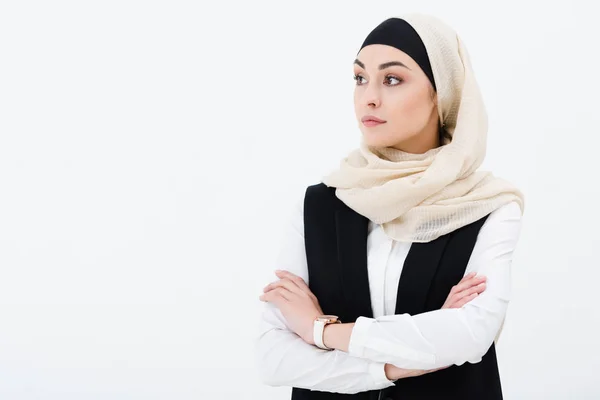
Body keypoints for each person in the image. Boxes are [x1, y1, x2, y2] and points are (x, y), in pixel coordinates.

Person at [254, 13, 524, 400]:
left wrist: (319, 331)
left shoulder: (487, 206)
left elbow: (470, 335)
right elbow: (274, 358)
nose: (370, 96)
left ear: (441, 92)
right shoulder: (319, 203)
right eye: (360, 78)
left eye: (392, 79)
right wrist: (402, 364)